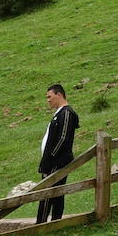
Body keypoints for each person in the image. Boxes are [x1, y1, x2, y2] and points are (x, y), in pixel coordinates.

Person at [37, 84, 79, 223]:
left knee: (48, 193)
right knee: (54, 193)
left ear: (59, 95)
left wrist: (50, 158)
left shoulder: (66, 113)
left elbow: (63, 138)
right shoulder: (59, 114)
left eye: (49, 96)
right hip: (52, 161)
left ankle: (42, 223)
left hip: (57, 161)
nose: (48, 100)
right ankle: (54, 221)